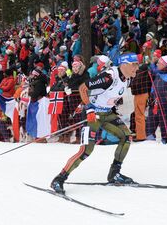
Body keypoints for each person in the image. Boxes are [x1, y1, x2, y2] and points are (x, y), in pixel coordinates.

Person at [50, 53, 140, 194]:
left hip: (107, 114)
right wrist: (89, 108)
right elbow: (82, 88)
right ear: (124, 65)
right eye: (134, 64)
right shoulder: (109, 77)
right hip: (93, 114)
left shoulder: (128, 79)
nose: (137, 67)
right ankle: (59, 179)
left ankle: (114, 173)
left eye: (137, 64)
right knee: (87, 150)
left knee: (126, 137)